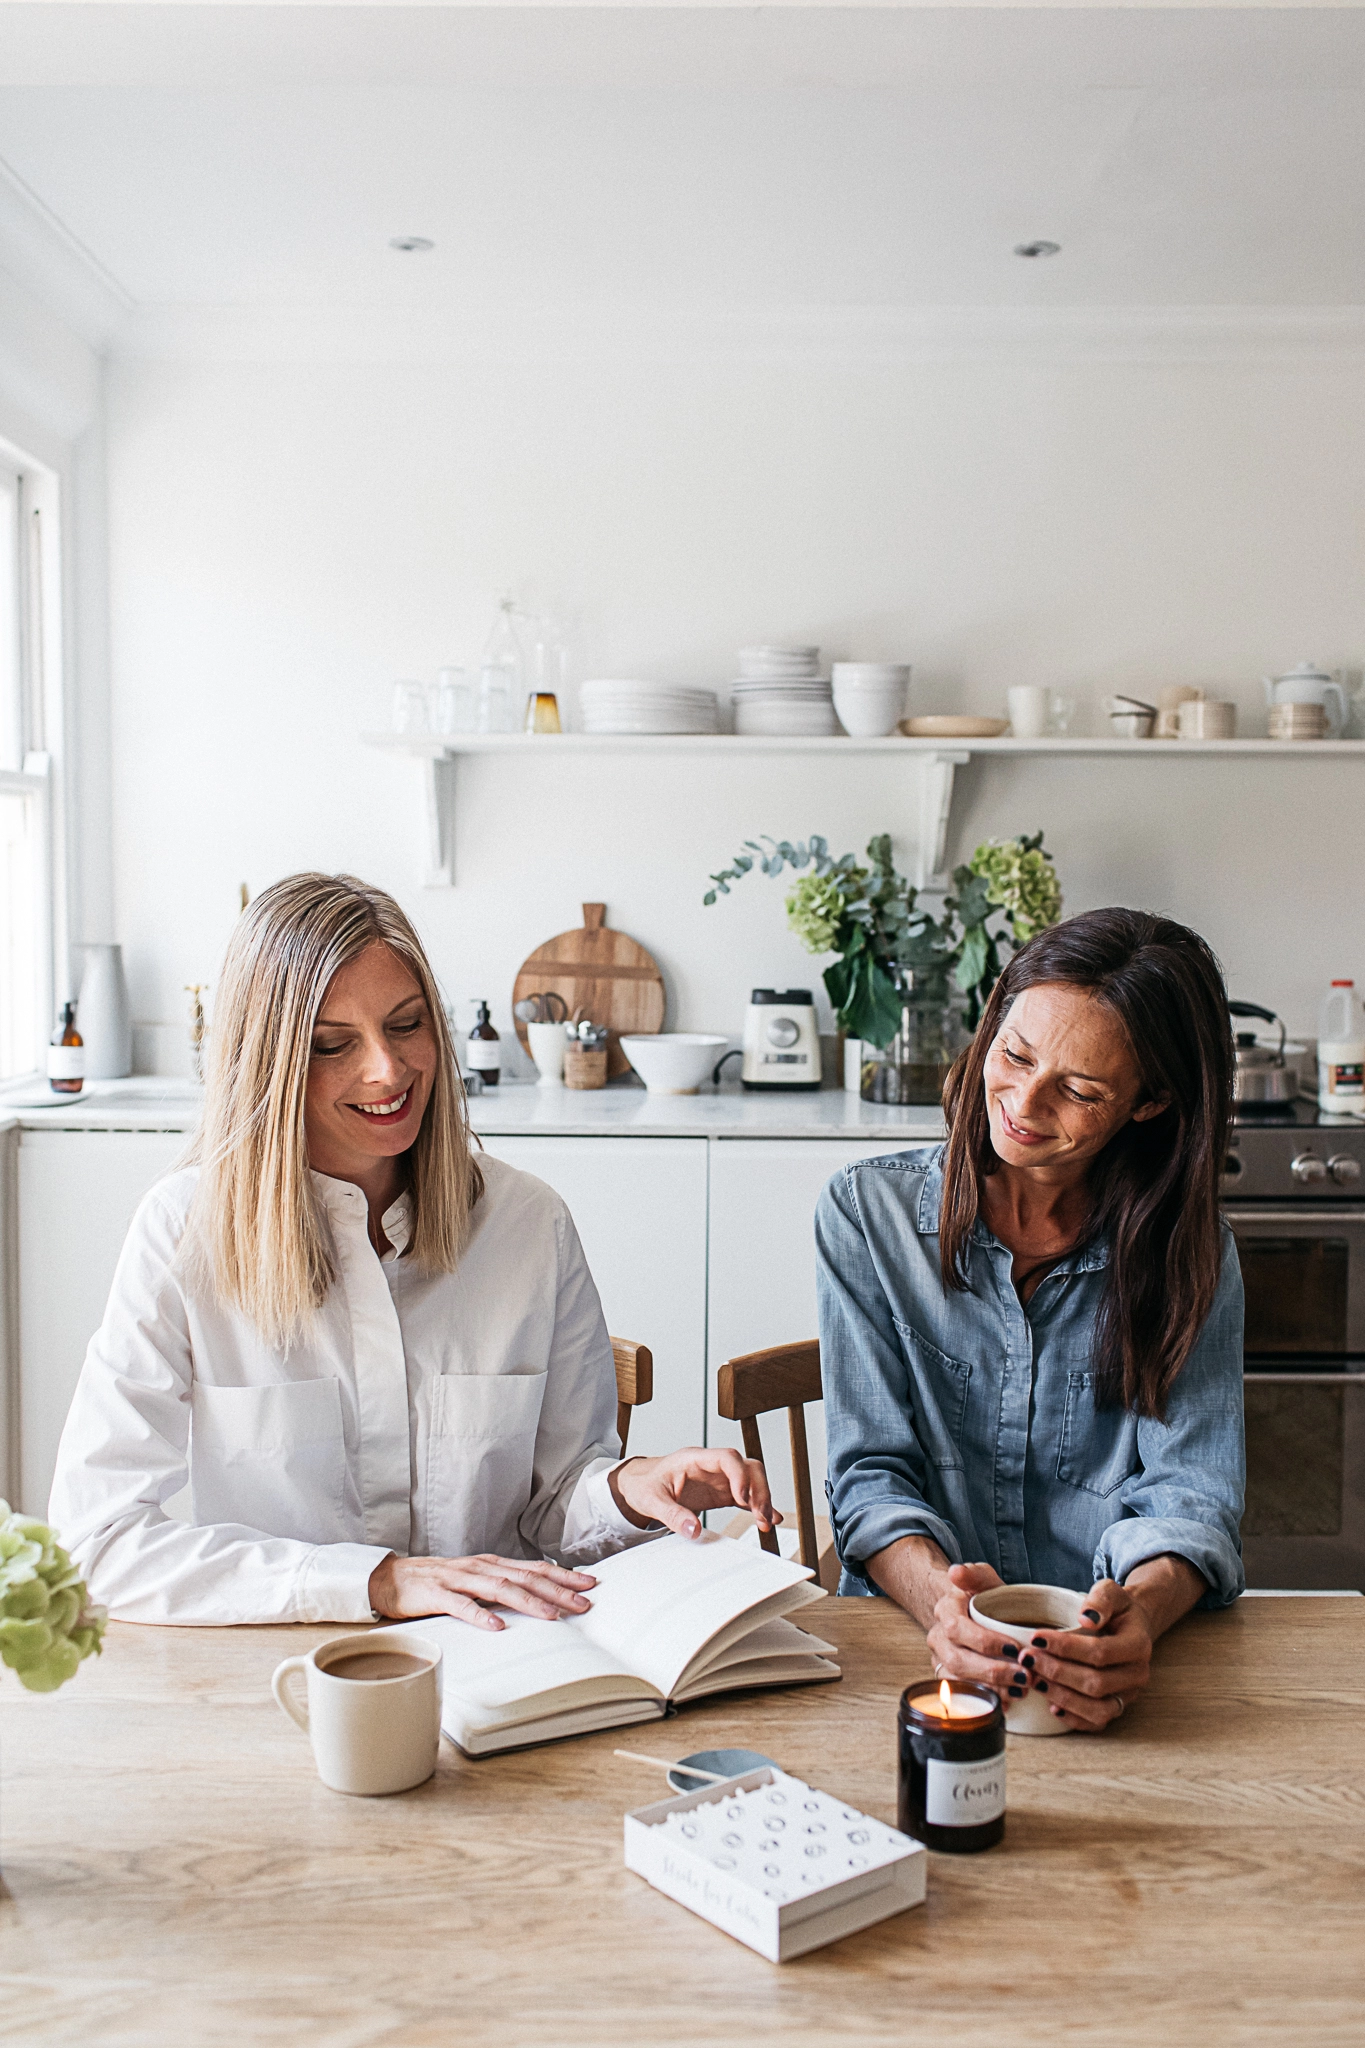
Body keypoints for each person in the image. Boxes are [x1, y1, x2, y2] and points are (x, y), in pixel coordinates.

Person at [51, 873, 777, 1628]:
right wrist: (372, 1583)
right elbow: (97, 1544)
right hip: (286, 1674)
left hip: (502, 1666)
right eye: (333, 1044)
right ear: (264, 1066)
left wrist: (632, 1487)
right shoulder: (182, 1233)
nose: (387, 1072)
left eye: (405, 1026)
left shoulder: (528, 1224)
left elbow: (556, 1502)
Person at [818, 908, 1244, 1733]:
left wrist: (1139, 1618)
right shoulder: (862, 1214)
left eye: (1080, 1091)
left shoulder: (1191, 1253)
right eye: (1013, 1055)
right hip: (911, 1661)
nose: (1022, 1102)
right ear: (993, 1023)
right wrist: (945, 1608)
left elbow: (1191, 1495)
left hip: (1113, 1682)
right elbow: (869, 1477)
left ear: (1148, 1103)